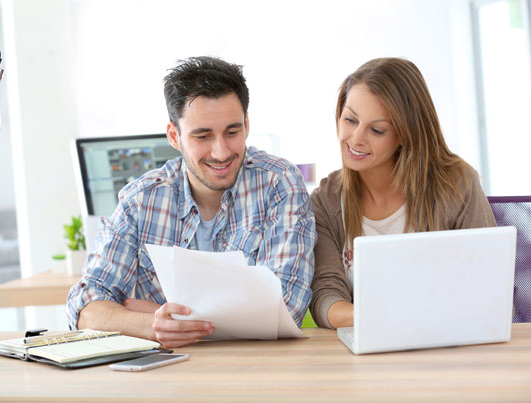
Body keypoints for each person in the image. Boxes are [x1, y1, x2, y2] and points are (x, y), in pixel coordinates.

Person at [66, 56, 316, 347]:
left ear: (247, 124)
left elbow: (286, 308)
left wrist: (141, 309)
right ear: (174, 135)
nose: (221, 152)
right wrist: (151, 323)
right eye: (203, 136)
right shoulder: (141, 200)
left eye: (232, 132)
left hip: (256, 371)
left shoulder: (279, 182)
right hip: (168, 377)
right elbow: (84, 306)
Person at [309, 57, 496, 329]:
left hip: (447, 343)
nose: (356, 138)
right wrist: (388, 318)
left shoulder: (457, 184)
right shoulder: (325, 201)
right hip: (366, 351)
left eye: (377, 130)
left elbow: (488, 288)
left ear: (406, 134)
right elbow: (327, 296)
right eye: (350, 119)